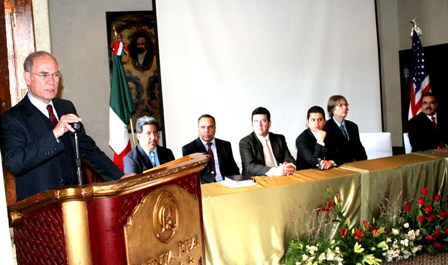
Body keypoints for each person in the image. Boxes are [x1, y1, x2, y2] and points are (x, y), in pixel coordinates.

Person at [0, 51, 125, 201]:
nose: (51, 81)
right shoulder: (13, 118)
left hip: (77, 201)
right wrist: (54, 135)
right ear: (27, 77)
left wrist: (120, 177)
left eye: (55, 75)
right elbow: (15, 163)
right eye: (44, 75)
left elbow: (86, 148)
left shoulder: (66, 107)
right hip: (41, 209)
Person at [182, 114, 240, 183]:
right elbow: (190, 176)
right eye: (203, 127)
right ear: (198, 129)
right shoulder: (189, 149)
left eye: (210, 127)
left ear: (215, 129)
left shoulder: (225, 145)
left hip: (226, 184)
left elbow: (234, 169)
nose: (206, 131)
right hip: (204, 187)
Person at [239, 107, 296, 176]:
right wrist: (275, 171)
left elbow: (289, 158)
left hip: (281, 177)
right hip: (259, 179)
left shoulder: (279, 138)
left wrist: (288, 166)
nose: (259, 125)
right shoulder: (245, 142)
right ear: (252, 123)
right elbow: (250, 166)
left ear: (269, 123)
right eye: (256, 121)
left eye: (263, 121)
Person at [323, 95, 367, 166]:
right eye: (340, 105)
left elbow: (359, 148)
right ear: (332, 108)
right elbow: (330, 152)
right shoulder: (326, 127)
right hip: (336, 167)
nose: (345, 107)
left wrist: (364, 163)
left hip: (356, 166)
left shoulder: (353, 126)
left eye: (346, 105)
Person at [295, 106, 335, 170]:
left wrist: (331, 162)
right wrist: (320, 141)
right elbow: (314, 162)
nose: (316, 123)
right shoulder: (301, 139)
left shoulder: (330, 134)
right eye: (313, 120)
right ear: (308, 122)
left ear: (325, 122)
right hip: (307, 175)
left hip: (328, 172)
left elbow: (340, 154)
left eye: (320, 120)